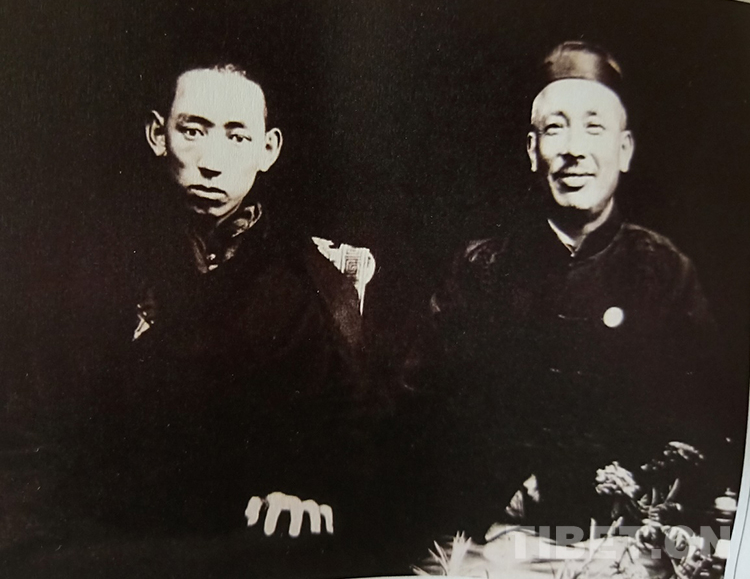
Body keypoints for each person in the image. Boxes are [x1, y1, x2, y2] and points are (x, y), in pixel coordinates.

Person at [3, 60, 375, 578]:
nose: (211, 162)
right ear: (158, 136)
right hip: (105, 539)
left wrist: (309, 492)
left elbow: (352, 436)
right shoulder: (90, 267)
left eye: (237, 137)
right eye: (193, 131)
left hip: (249, 541)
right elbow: (32, 427)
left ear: (269, 150)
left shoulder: (312, 285)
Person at [401, 41, 722, 543]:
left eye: (594, 128)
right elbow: (421, 410)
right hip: (493, 535)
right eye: (555, 129)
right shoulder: (481, 270)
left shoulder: (664, 272)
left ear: (624, 150)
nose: (574, 149)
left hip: (623, 539)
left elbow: (703, 422)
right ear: (532, 151)